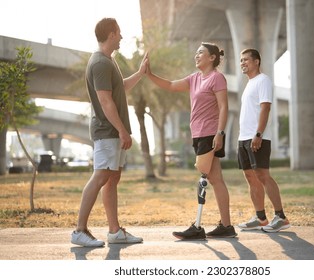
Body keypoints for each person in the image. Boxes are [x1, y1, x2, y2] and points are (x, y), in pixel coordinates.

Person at [146, 42, 237, 240]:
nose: (196, 56)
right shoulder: (194, 78)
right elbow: (170, 85)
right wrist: (149, 74)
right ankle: (227, 226)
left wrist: (220, 133)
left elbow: (223, 107)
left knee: (205, 178)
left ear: (212, 58)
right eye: (196, 53)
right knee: (215, 179)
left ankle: (197, 226)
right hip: (198, 134)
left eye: (200, 53)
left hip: (209, 133)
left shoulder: (216, 78)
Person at [71, 18, 148, 247]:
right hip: (107, 131)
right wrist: (123, 131)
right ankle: (79, 230)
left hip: (112, 131)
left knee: (112, 179)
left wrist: (140, 73)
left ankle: (114, 231)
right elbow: (105, 101)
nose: (122, 37)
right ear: (112, 34)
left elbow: (120, 88)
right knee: (101, 176)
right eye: (119, 33)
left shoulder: (108, 61)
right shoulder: (100, 63)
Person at [237, 48, 290, 233]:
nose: (242, 63)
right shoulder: (249, 83)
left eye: (246, 60)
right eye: (241, 60)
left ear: (257, 61)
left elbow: (265, 108)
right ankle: (260, 218)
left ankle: (281, 217)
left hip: (257, 137)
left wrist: (258, 134)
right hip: (243, 137)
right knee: (251, 178)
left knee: (263, 176)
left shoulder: (263, 80)